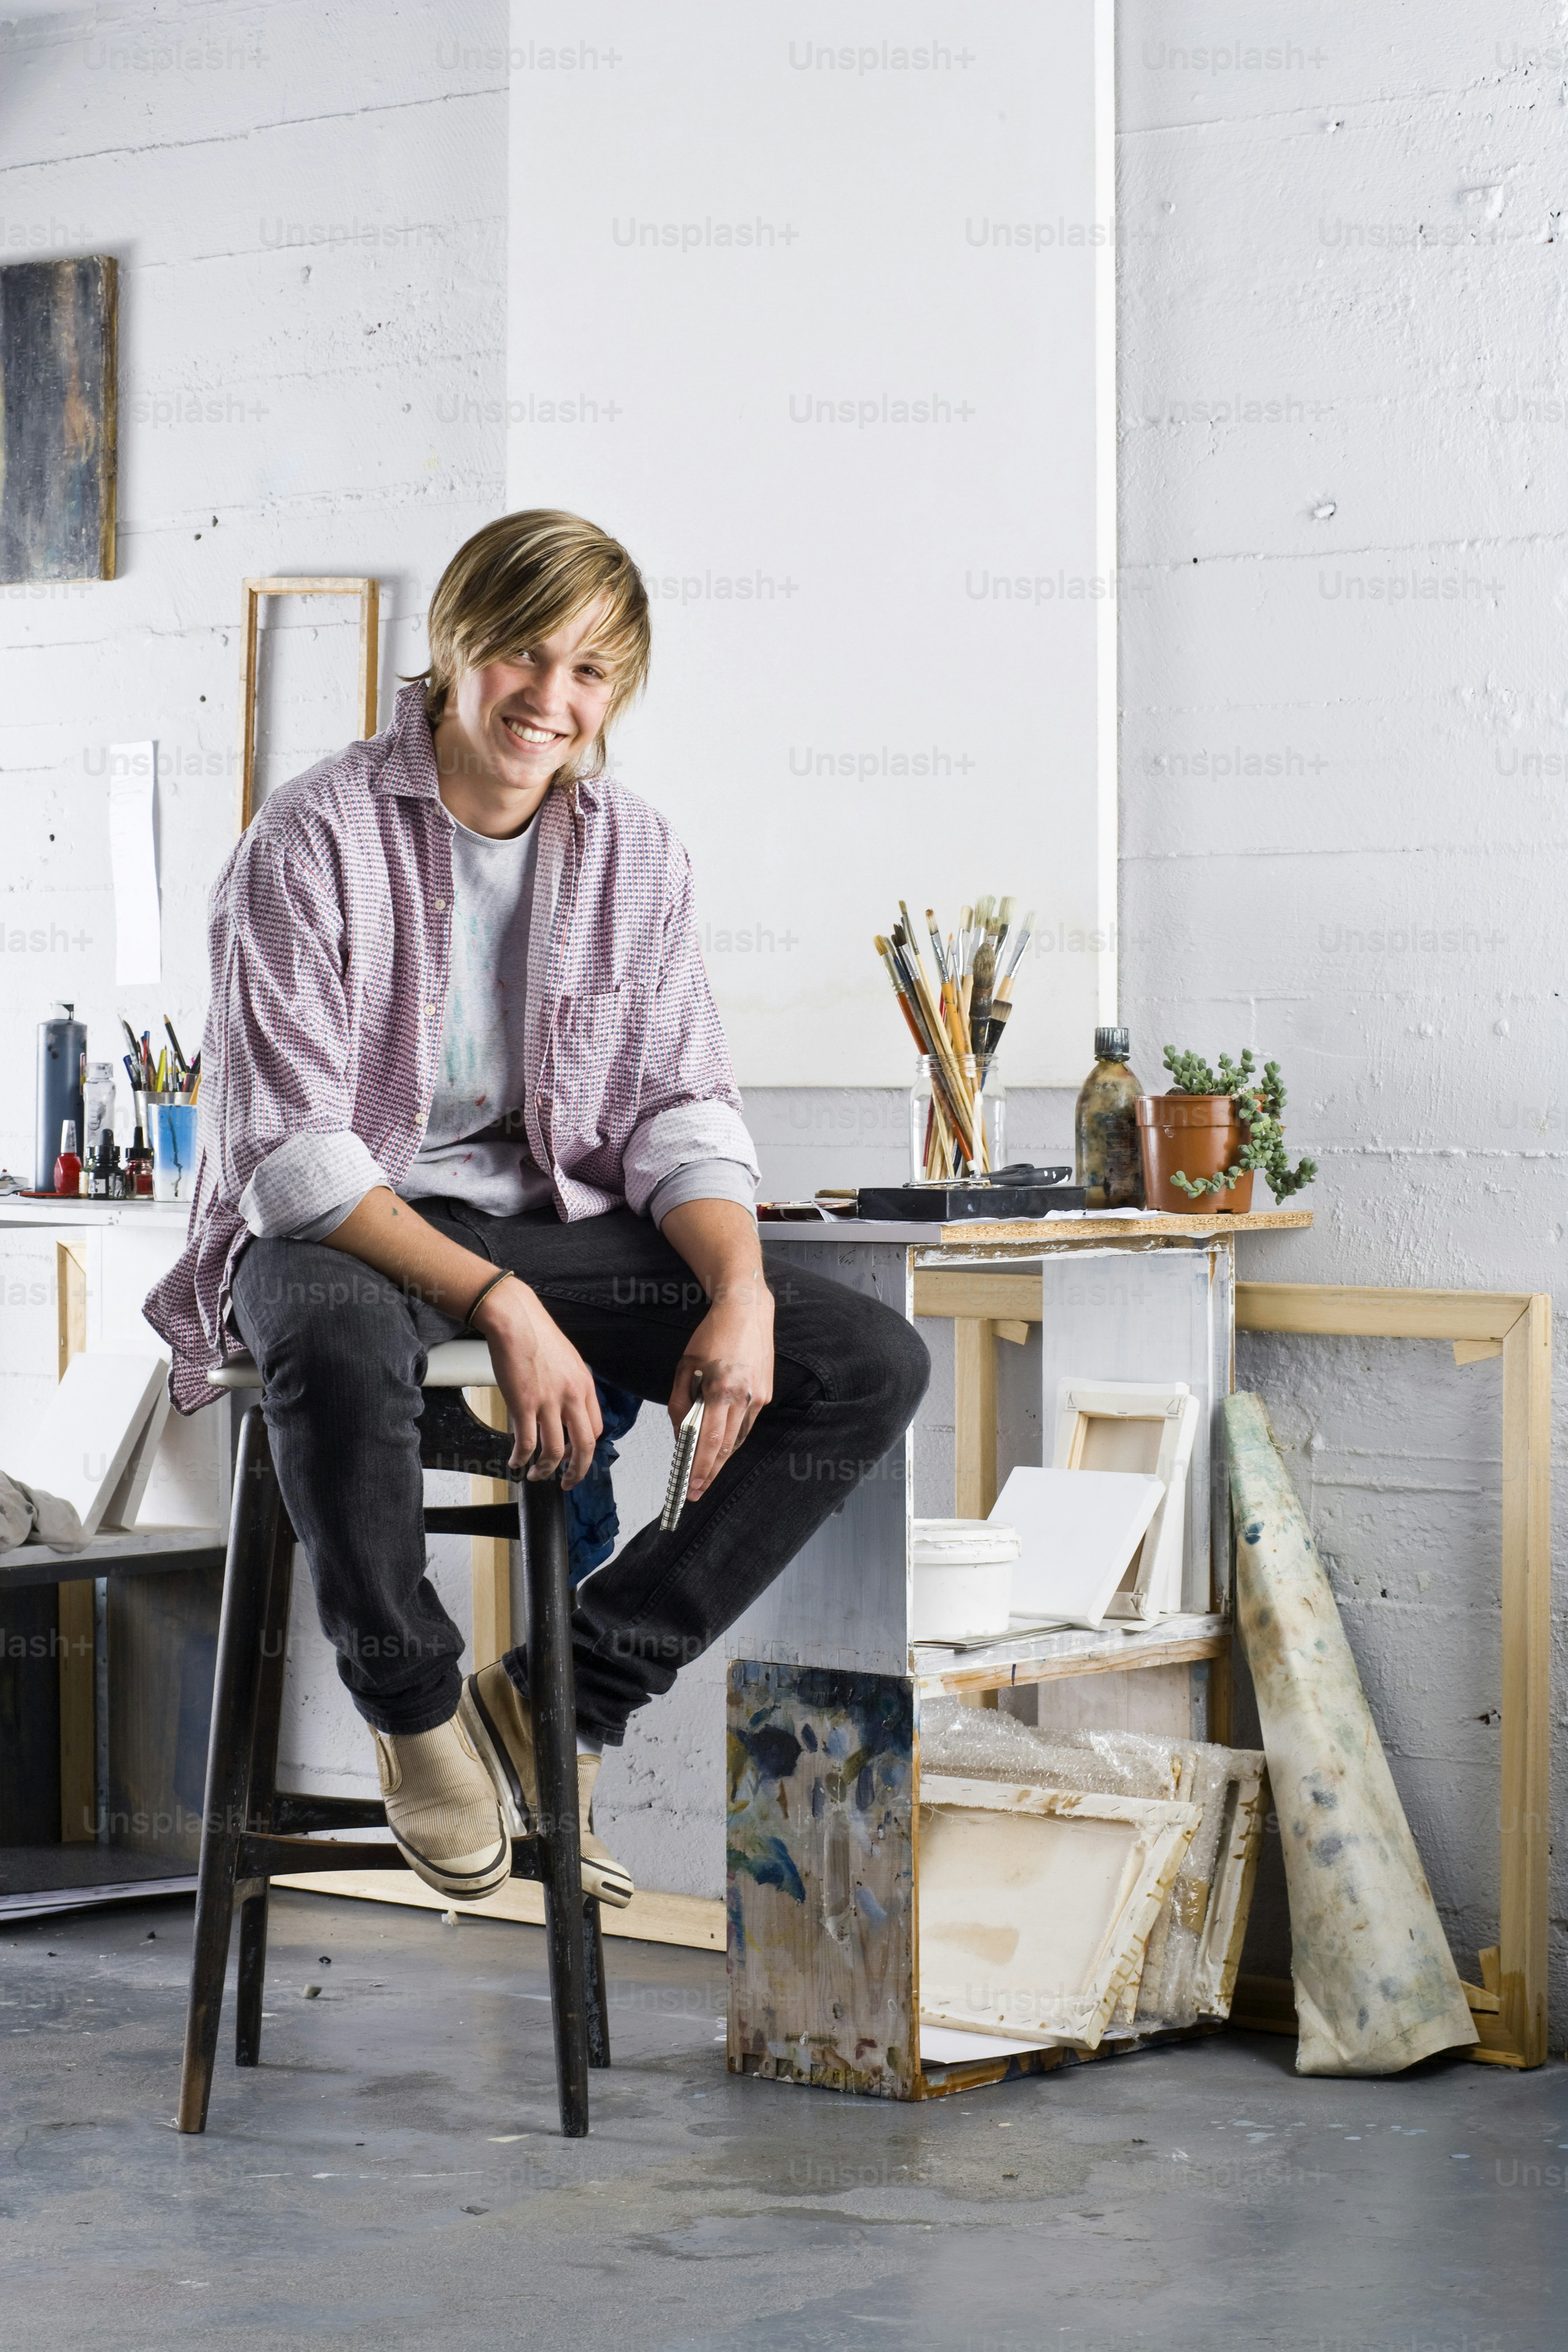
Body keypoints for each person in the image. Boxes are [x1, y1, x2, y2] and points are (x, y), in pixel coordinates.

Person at [145, 509, 929, 1909]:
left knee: (864, 1362)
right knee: (328, 1339)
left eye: (590, 673)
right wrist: (498, 1301)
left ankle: (565, 1690)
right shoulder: (310, 836)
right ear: (455, 646)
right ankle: (416, 1708)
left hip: (556, 1225)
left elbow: (679, 1111)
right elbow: (291, 1156)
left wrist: (740, 1294)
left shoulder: (637, 854)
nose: (552, 701)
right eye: (523, 654)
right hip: (352, 1229)